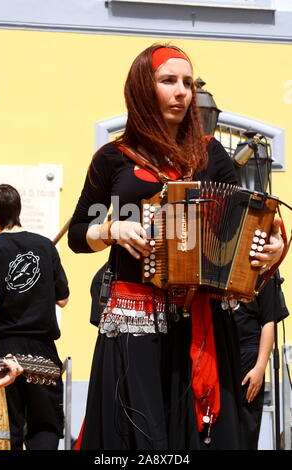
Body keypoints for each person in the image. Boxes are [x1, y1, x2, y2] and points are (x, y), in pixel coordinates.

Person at [68, 44, 284, 450]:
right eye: (168, 81)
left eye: (188, 82)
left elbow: (245, 219)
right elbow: (80, 232)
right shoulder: (113, 158)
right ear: (142, 89)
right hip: (135, 320)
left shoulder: (210, 155)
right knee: (139, 437)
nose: (182, 92)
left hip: (200, 322)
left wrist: (269, 246)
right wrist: (112, 230)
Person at [0, 184, 69, 450]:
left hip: (5, 354)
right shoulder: (45, 247)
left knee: (7, 430)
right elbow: (63, 299)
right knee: (45, 427)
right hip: (43, 354)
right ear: (18, 210)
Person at [234, 275, 289, 450]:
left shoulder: (263, 271)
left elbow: (268, 322)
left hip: (249, 356)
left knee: (247, 428)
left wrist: (259, 367)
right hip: (221, 352)